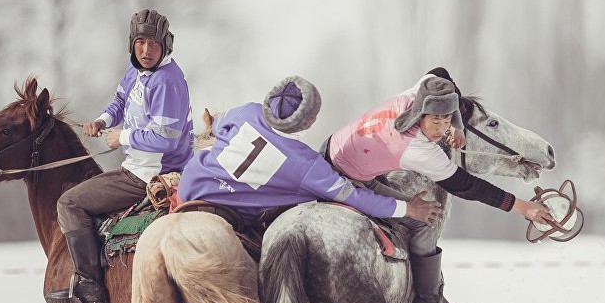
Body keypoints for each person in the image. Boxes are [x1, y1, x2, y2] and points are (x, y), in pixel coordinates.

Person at [323, 68, 552, 303]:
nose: (441, 129)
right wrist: (523, 207)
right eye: (436, 122)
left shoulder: (413, 96)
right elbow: (466, 186)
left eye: (446, 121)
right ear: (421, 114)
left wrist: (458, 125)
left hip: (332, 148)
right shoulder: (417, 150)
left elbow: (440, 72)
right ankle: (428, 299)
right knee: (426, 219)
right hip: (347, 179)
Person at [47, 9, 194, 303]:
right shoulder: (136, 69)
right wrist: (102, 120)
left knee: (69, 203)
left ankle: (90, 287)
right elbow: (120, 101)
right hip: (137, 166)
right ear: (131, 43)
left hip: (152, 174)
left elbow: (166, 138)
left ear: (166, 44)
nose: (146, 50)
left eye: (153, 43)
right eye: (140, 42)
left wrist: (122, 137)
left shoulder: (167, 81)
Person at [176, 75, 443, 233]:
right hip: (227, 217)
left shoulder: (246, 111)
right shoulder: (306, 164)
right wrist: (408, 207)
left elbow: (216, 124)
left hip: (187, 188)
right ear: (310, 121)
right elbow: (355, 196)